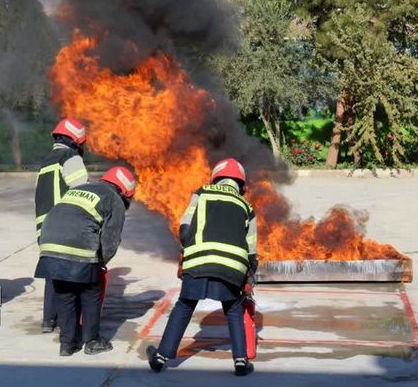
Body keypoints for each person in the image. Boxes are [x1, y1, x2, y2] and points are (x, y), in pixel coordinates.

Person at [146, 158, 257, 376]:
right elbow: (252, 252)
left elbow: (185, 228)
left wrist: (186, 254)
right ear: (241, 185)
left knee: (185, 305)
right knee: (234, 309)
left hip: (199, 260)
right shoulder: (247, 207)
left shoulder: (202, 192)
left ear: (216, 178)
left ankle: (161, 358)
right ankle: (241, 361)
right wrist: (248, 277)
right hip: (232, 267)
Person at [34, 166, 136, 356]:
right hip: (78, 245)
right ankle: (92, 341)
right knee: (91, 293)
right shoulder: (114, 199)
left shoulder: (79, 189)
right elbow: (110, 240)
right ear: (124, 190)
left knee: (65, 295)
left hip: (48, 245)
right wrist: (101, 262)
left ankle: (67, 344)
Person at [35, 118, 88, 333]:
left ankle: (48, 320)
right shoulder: (70, 157)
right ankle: (70, 323)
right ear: (76, 140)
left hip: (44, 228)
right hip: (65, 226)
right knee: (73, 273)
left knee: (52, 272)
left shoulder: (46, 160)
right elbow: (82, 190)